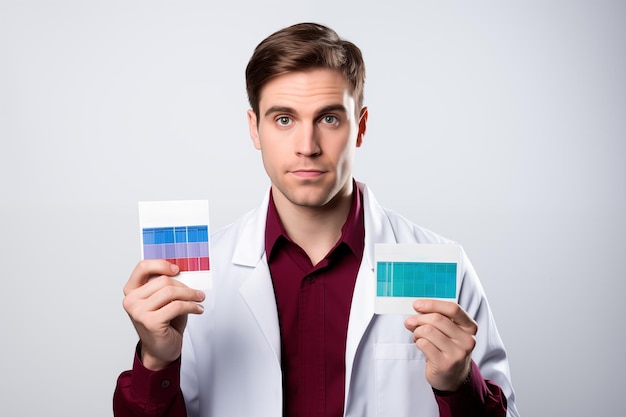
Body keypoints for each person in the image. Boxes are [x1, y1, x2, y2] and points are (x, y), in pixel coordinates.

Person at [113, 22, 519, 417]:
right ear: (254, 129)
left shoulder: (436, 265)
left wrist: (459, 384)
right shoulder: (195, 275)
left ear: (359, 127)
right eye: (284, 119)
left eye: (328, 118)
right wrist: (155, 361)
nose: (307, 147)